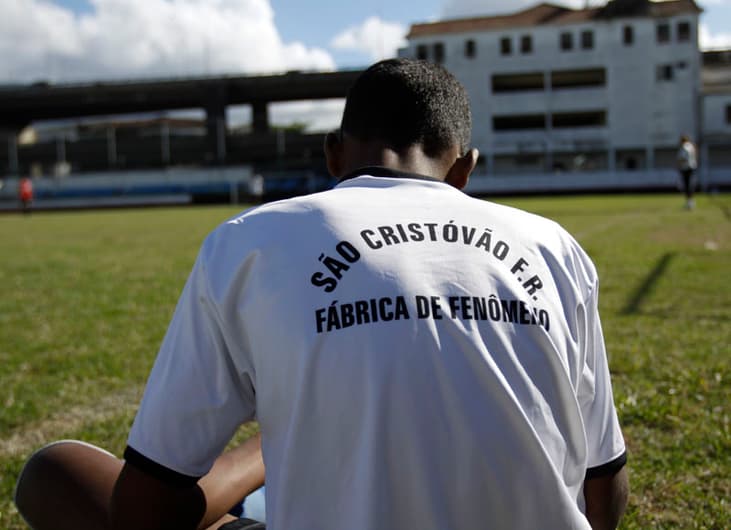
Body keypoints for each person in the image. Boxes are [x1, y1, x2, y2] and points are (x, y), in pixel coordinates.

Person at [15, 58, 628, 529]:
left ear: (334, 154)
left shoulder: (248, 240)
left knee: (54, 472)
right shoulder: (554, 247)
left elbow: (143, 514)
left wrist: (262, 452)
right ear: (465, 170)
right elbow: (606, 491)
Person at [677, 134, 698, 209]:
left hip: (686, 168)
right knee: (690, 185)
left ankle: (689, 203)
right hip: (691, 167)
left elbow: (683, 158)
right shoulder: (691, 146)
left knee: (687, 186)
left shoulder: (685, 147)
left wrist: (678, 163)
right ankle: (690, 202)